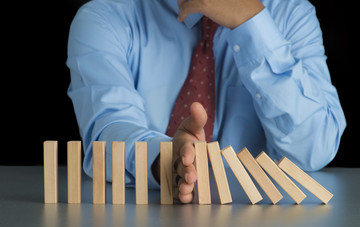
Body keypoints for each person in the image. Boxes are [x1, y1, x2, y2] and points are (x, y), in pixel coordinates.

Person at [67, 0, 346, 203]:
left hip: (260, 224)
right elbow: (109, 130)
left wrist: (251, 24)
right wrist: (168, 160)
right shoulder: (105, 16)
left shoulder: (291, 14)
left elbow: (314, 149)